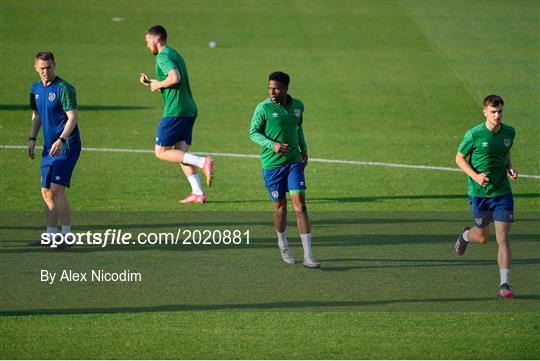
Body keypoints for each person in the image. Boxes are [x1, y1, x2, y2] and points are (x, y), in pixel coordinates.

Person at [249, 71, 320, 269]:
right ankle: (282, 241)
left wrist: (303, 148)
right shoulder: (263, 108)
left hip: (294, 163)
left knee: (301, 207)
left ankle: (309, 256)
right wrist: (273, 145)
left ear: (286, 88)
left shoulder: (298, 106)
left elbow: (298, 128)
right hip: (272, 166)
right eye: (269, 88)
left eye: (276, 88)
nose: (272, 91)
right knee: (281, 210)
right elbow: (253, 132)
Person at [140, 25, 213, 204]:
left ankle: (203, 162)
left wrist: (158, 85)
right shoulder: (174, 54)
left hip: (176, 111)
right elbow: (173, 82)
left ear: (157, 40)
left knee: (161, 152)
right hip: (188, 109)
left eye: (148, 42)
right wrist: (153, 82)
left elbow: (175, 78)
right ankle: (198, 193)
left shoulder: (163, 56)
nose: (148, 46)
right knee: (180, 152)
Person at [454, 95, 518, 298]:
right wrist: (476, 176)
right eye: (493, 111)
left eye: (500, 111)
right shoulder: (474, 134)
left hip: (502, 193)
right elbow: (459, 158)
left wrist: (510, 167)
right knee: (481, 237)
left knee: (503, 237)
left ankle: (504, 285)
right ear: (485, 112)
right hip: (479, 193)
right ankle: (465, 235)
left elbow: (506, 151)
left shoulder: (509, 132)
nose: (497, 115)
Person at [27, 51, 81, 250]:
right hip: (50, 148)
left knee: (57, 189)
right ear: (36, 68)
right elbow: (37, 115)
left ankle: (66, 236)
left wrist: (61, 139)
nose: (45, 71)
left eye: (48, 67)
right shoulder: (35, 89)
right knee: (46, 191)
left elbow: (72, 117)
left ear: (54, 66)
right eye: (41, 68)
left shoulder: (63, 88)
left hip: (67, 145)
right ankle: (50, 236)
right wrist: (32, 138)